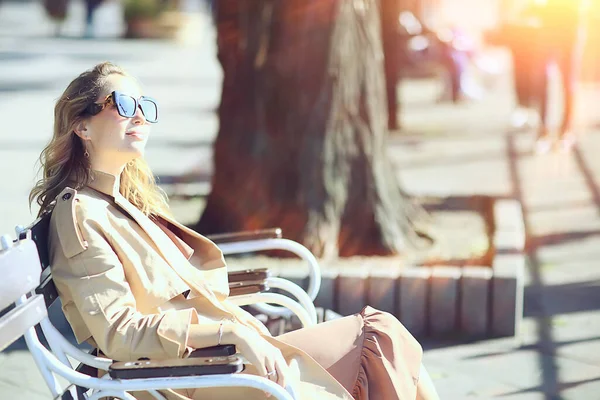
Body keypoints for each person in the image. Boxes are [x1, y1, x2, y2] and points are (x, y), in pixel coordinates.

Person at [29, 62, 440, 400]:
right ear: (81, 127)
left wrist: (239, 331)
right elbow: (119, 332)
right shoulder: (81, 214)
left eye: (144, 104)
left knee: (388, 341)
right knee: (379, 338)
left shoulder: (122, 200)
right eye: (121, 103)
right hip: (186, 374)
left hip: (219, 355)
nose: (138, 114)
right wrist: (232, 334)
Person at [527, 0, 589, 153]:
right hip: (548, 23)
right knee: (543, 79)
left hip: (570, 23)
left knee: (568, 81)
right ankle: (544, 130)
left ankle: (566, 130)